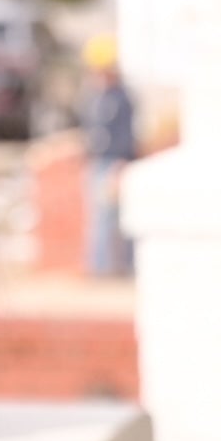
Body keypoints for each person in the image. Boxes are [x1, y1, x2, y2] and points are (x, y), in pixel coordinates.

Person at [77, 32, 137, 277]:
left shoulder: (120, 98)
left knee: (116, 218)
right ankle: (99, 267)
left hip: (115, 162)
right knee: (100, 217)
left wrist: (121, 164)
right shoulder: (95, 96)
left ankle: (120, 267)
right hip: (98, 161)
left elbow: (126, 134)